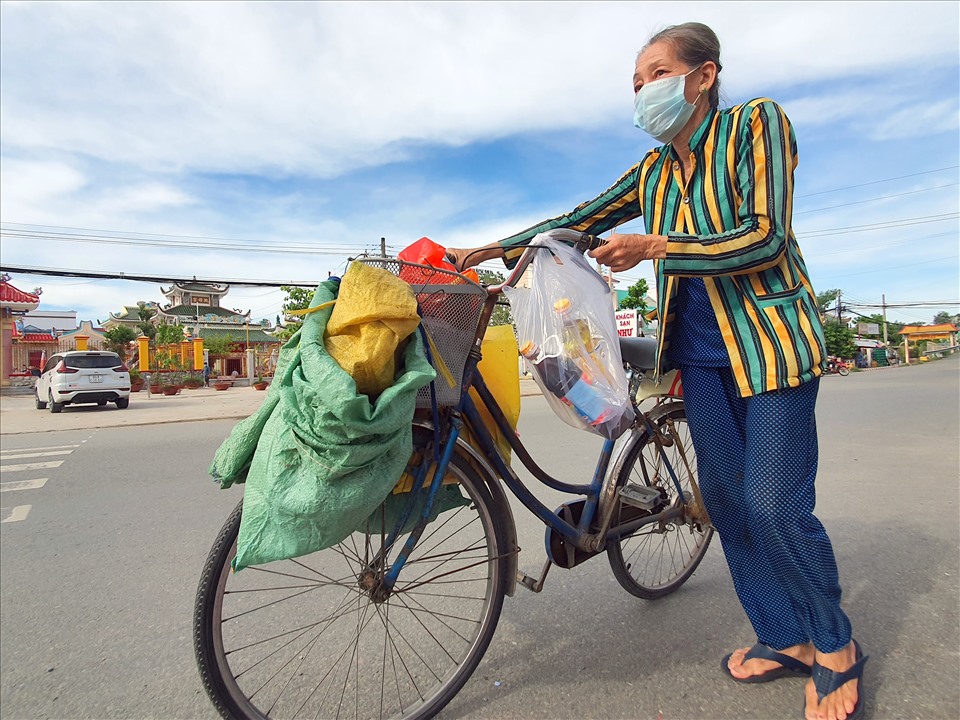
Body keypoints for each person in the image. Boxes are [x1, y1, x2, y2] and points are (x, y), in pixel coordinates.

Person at [447, 22, 865, 720]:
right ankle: (783, 636)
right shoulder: (653, 170)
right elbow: (581, 218)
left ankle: (835, 642)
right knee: (726, 502)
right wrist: (491, 249)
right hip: (699, 358)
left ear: (702, 77)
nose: (644, 91)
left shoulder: (754, 125)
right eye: (637, 82)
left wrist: (657, 245)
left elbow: (765, 235)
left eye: (657, 73)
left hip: (769, 346)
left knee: (773, 502)